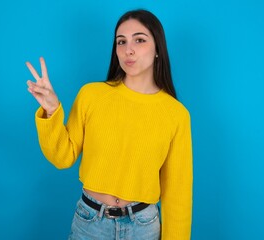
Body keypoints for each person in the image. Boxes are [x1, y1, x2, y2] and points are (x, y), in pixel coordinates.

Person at [26, 9, 192, 240]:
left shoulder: (176, 114)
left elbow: (178, 194)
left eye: (140, 40)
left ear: (158, 49)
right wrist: (51, 111)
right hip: (90, 224)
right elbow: (62, 157)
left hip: (144, 227)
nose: (128, 50)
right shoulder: (92, 95)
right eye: (121, 42)